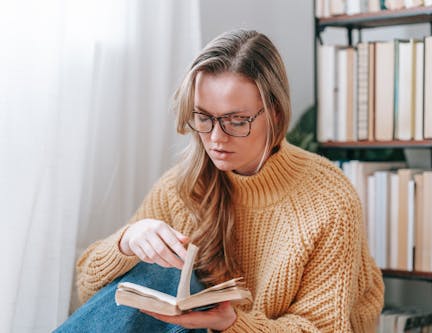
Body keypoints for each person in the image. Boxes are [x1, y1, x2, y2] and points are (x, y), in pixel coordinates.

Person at [55, 29, 384, 332]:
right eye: (203, 118)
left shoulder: (329, 200)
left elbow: (324, 328)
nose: (215, 138)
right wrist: (128, 241)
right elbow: (90, 291)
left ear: (276, 115)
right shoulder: (184, 186)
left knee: (161, 276)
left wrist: (232, 324)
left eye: (236, 121)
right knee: (153, 272)